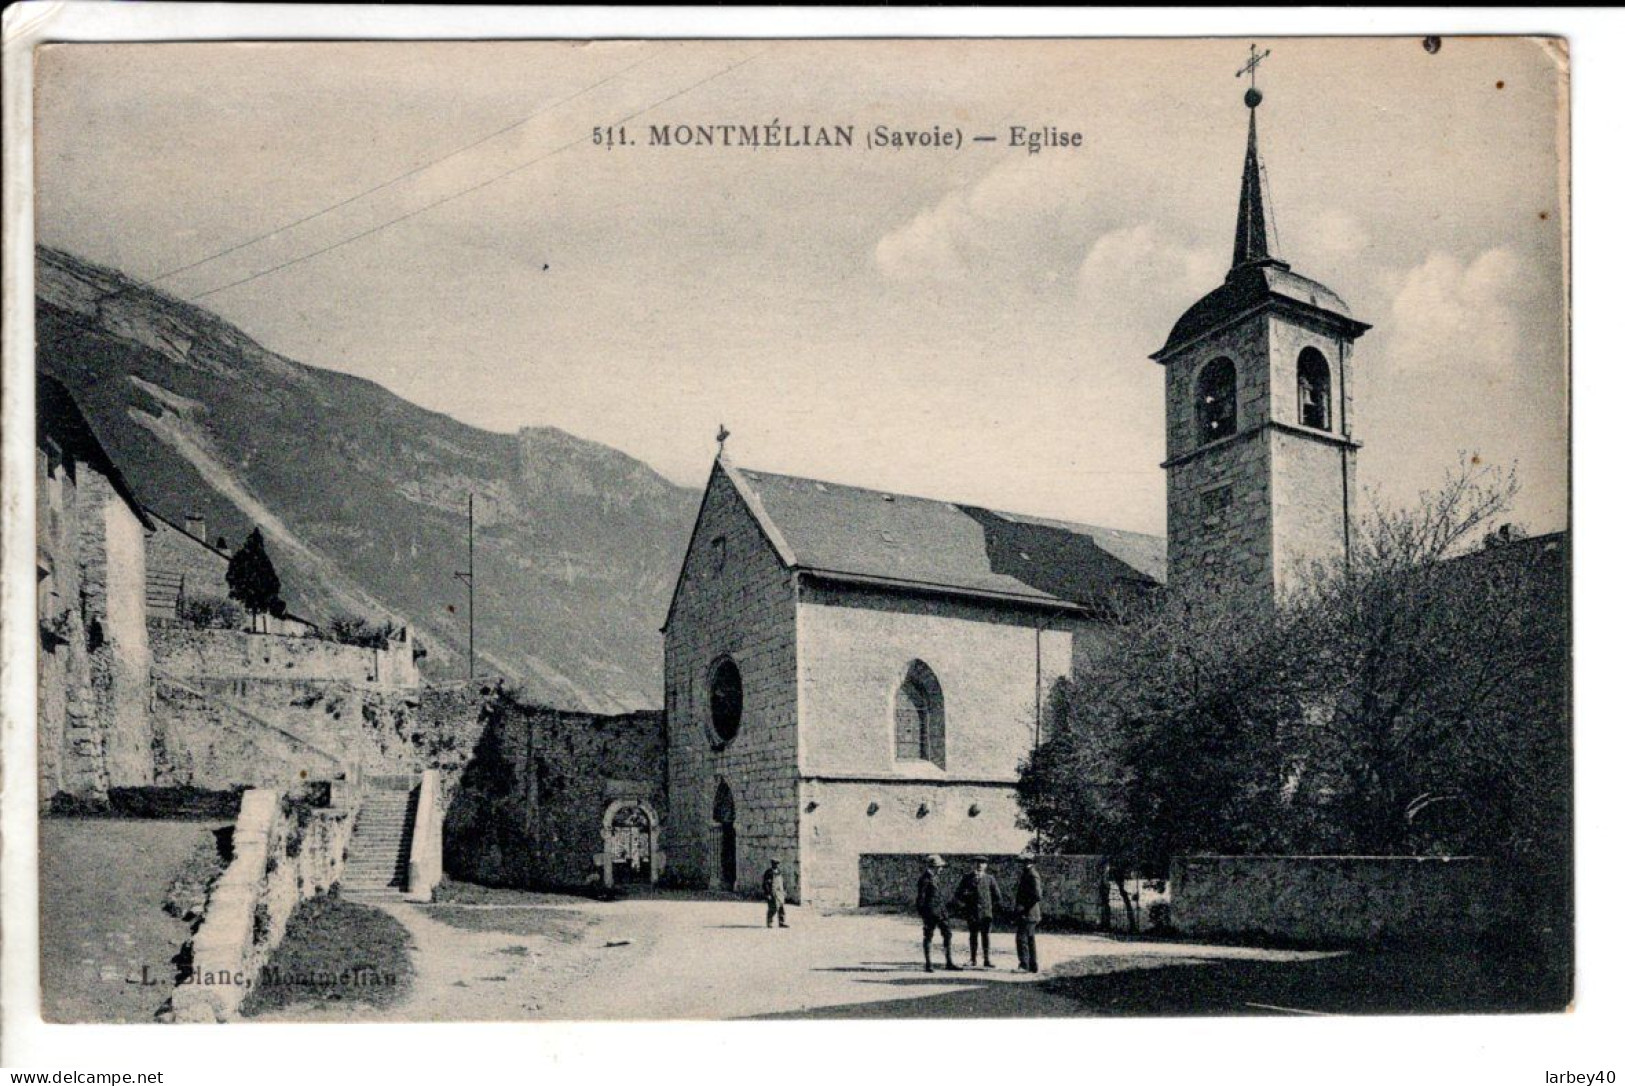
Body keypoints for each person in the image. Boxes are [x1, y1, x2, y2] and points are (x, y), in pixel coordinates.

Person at [954, 856, 1006, 968]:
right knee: (973, 936)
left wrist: (990, 908)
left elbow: (997, 896)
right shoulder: (967, 878)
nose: (979, 865)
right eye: (977, 862)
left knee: (986, 936)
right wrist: (965, 904)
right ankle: (972, 959)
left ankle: (987, 960)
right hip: (971, 913)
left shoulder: (990, 879)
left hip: (985, 914)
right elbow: (958, 894)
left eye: (982, 863)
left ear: (986, 865)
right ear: (973, 864)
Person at [915, 855, 960, 973]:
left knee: (947, 935)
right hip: (930, 913)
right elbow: (921, 898)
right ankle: (928, 964)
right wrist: (924, 914)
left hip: (941, 913)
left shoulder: (935, 877)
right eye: (940, 867)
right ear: (933, 867)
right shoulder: (924, 879)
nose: (941, 869)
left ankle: (949, 962)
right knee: (928, 936)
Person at [1015, 855, 1043, 973]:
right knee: (1030, 938)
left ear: (1031, 862)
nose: (1023, 864)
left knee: (1021, 938)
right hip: (1029, 913)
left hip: (1028, 913)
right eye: (1022, 862)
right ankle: (1033, 965)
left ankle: (1024, 965)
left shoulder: (1032, 874)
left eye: (1026, 861)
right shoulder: (1028, 873)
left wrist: (1023, 906)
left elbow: (1037, 896)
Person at [762, 858, 788, 928]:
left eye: (777, 864)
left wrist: (784, 891)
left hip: (780, 893)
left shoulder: (779, 872)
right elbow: (765, 884)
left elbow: (782, 882)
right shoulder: (768, 873)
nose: (776, 865)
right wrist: (767, 894)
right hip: (772, 893)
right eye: (774, 864)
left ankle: (781, 922)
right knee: (772, 908)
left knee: (781, 908)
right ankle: (769, 922)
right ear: (772, 864)